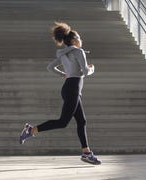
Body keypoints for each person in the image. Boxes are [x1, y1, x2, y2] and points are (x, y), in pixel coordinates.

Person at [19, 22, 101, 165]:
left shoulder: (64, 53)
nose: (81, 40)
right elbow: (86, 72)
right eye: (79, 38)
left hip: (69, 88)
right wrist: (92, 68)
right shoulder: (78, 51)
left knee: (82, 121)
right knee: (63, 122)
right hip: (73, 88)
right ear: (74, 40)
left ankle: (86, 153)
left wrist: (64, 74)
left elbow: (50, 67)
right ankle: (31, 130)